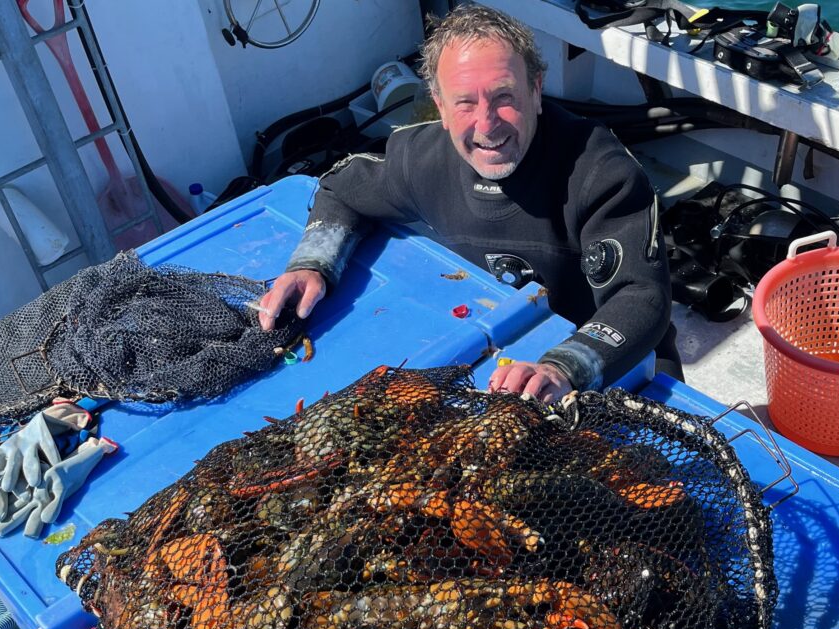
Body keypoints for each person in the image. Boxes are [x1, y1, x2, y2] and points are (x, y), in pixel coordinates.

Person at [258, 4, 678, 403]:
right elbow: (341, 191)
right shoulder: (422, 162)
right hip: (493, 357)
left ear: (536, 90)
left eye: (504, 97)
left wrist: (563, 367)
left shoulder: (599, 173)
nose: (486, 123)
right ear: (439, 107)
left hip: (615, 369)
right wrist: (312, 263)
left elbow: (642, 297)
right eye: (465, 103)